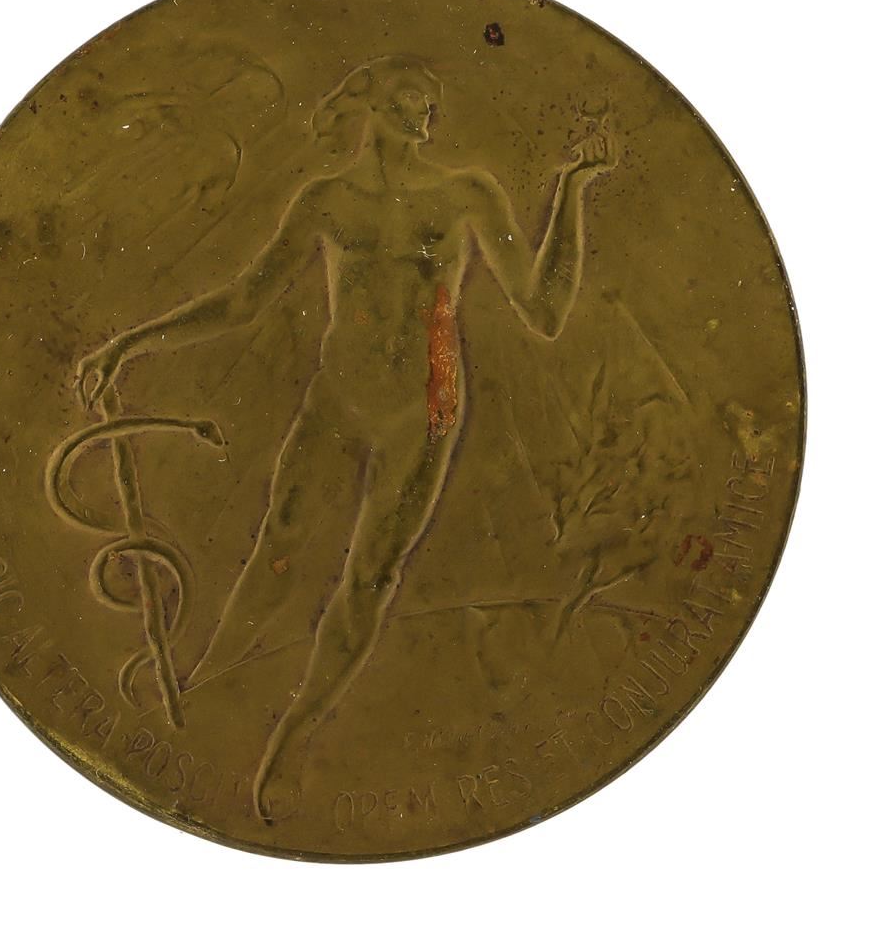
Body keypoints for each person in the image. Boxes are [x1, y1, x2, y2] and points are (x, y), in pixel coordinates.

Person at [76, 55, 615, 817]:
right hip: (340, 398)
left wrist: (571, 193)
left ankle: (292, 739)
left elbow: (544, 310)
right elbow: (246, 298)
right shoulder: (327, 200)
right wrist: (131, 345)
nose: (425, 114)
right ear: (373, 106)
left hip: (426, 409)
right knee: (278, 545)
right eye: (411, 98)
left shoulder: (464, 195)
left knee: (370, 578)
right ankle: (196, 685)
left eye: (430, 103)